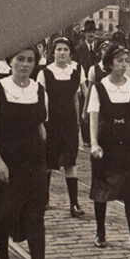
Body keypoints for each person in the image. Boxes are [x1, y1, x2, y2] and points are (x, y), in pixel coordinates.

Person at [0, 46, 53, 259]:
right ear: (10, 62)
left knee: (35, 218)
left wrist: (44, 156)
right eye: (20, 59)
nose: (25, 64)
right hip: (5, 162)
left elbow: (40, 127)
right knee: (3, 214)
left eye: (30, 60)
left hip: (32, 163)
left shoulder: (39, 91)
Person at [88, 44, 130, 256]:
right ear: (109, 64)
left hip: (127, 145)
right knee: (102, 190)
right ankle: (100, 232)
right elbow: (94, 117)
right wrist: (94, 143)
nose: (124, 64)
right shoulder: (99, 87)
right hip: (106, 144)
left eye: (127, 60)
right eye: (119, 60)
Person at [37, 37, 87, 217]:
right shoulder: (45, 72)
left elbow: (76, 97)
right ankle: (43, 199)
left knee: (70, 161)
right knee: (49, 161)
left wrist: (79, 120)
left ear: (70, 52)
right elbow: (42, 100)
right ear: (53, 52)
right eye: (58, 49)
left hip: (69, 122)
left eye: (65, 49)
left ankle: (74, 204)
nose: (62, 53)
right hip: (52, 122)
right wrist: (43, 122)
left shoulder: (77, 70)